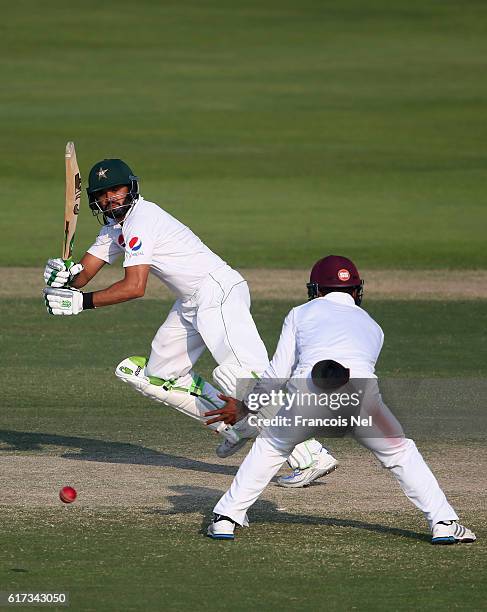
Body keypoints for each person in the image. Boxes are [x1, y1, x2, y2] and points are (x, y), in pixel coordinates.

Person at [42, 158, 336, 479]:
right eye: (103, 193)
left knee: (242, 377)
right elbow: (82, 276)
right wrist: (64, 275)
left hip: (217, 292)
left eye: (117, 188)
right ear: (95, 200)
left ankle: (311, 454)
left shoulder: (142, 219)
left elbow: (135, 287)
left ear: (131, 188)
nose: (111, 197)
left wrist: (81, 303)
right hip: (191, 301)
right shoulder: (114, 229)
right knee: (158, 375)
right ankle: (235, 426)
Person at [206, 255, 476, 545]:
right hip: (361, 396)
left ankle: (226, 519)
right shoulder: (374, 326)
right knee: (401, 453)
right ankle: (444, 522)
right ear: (357, 291)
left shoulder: (300, 313)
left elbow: (278, 373)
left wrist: (247, 407)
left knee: (271, 446)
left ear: (316, 290)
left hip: (307, 392)